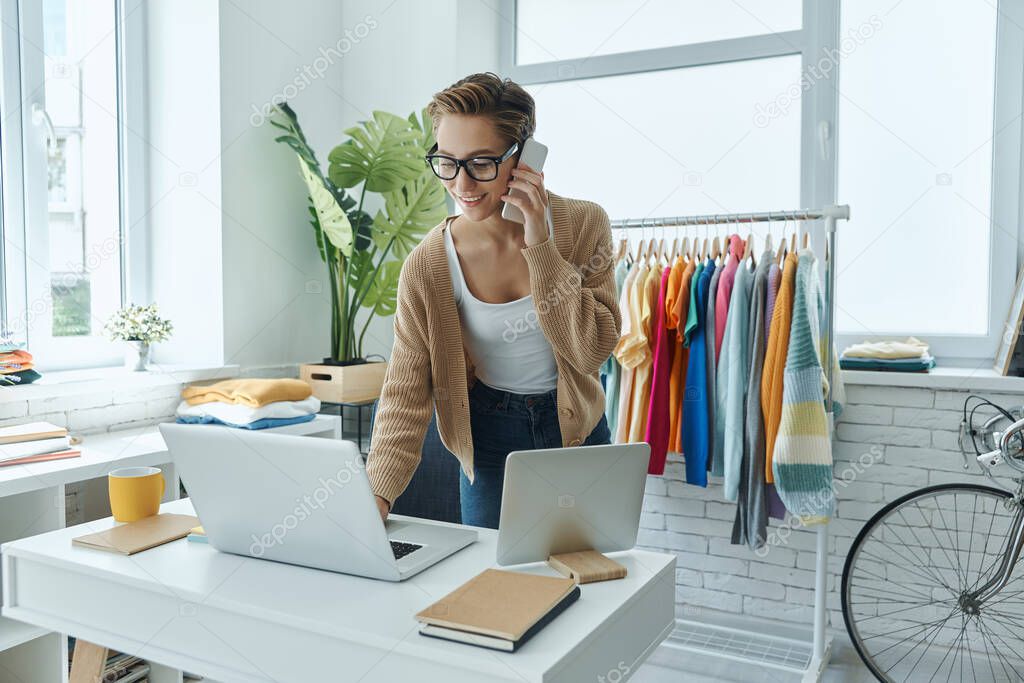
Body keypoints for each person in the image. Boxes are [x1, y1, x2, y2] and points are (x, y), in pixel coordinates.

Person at [365, 72, 620, 529]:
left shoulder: (583, 225)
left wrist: (540, 243)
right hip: (488, 441)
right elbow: (404, 392)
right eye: (446, 162)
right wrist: (377, 498)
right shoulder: (428, 266)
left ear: (524, 159)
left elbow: (591, 351)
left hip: (577, 433)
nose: (462, 184)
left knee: (591, 579)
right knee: (491, 587)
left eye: (481, 162)